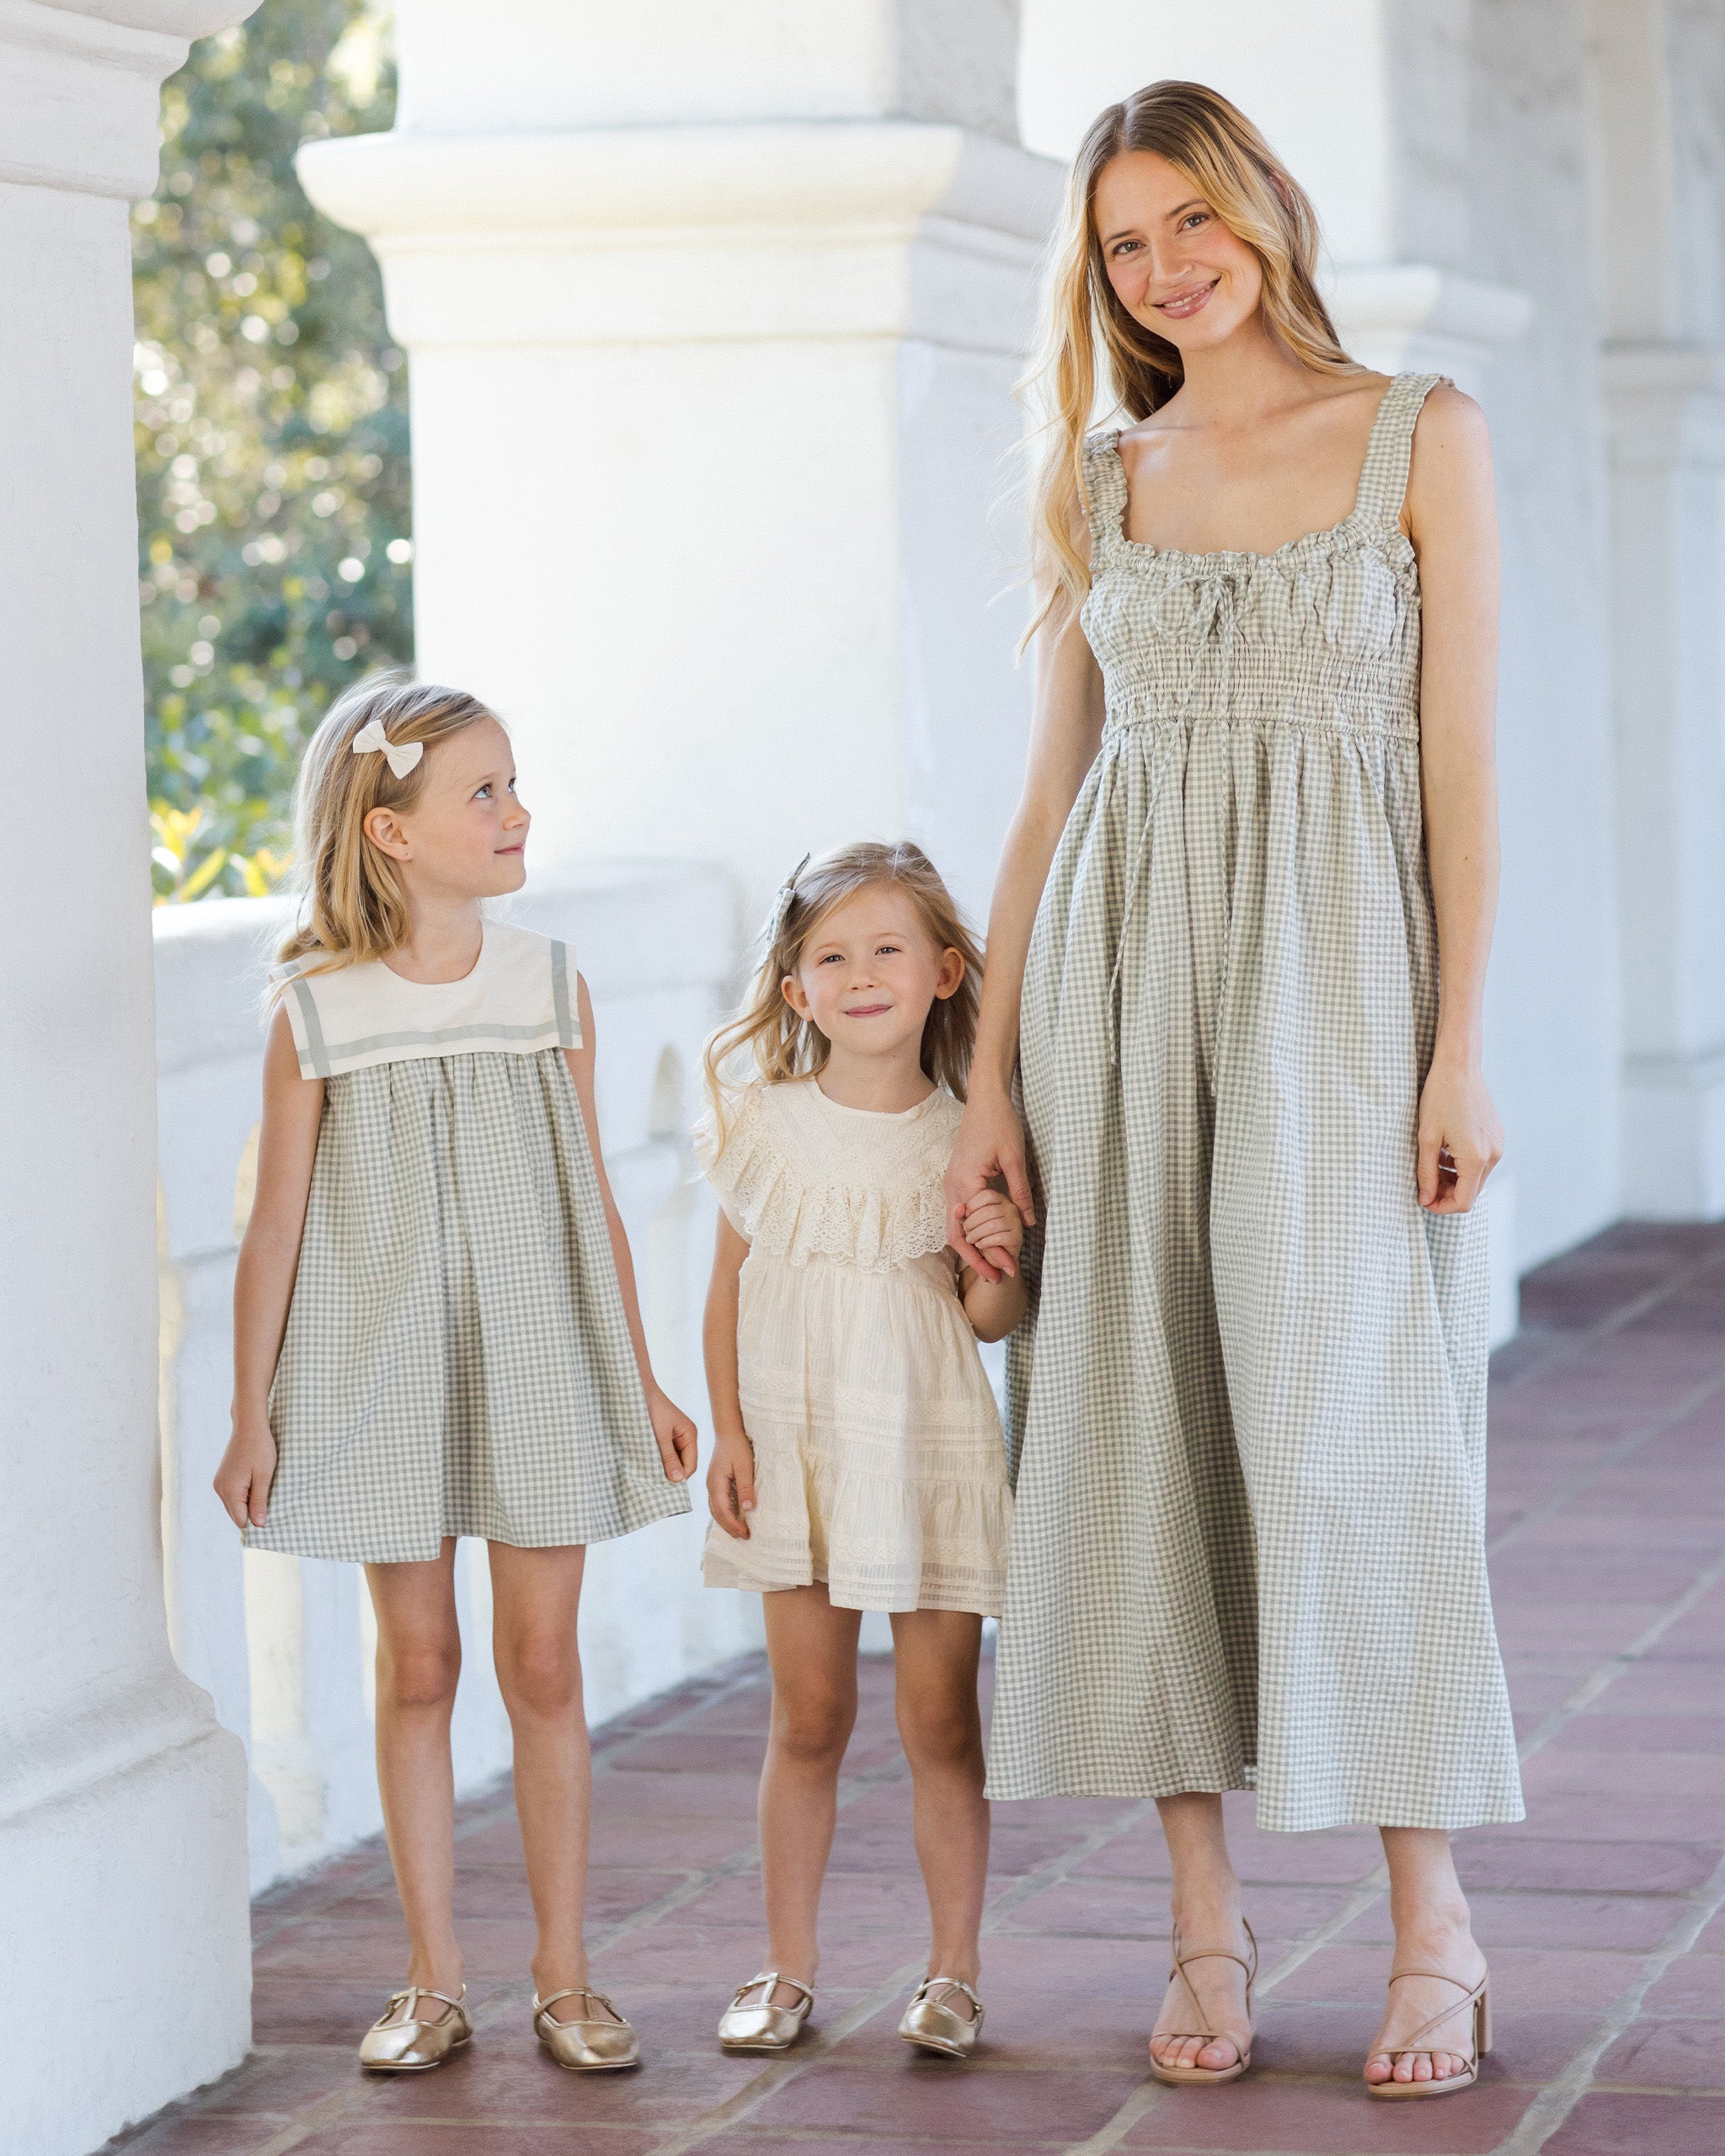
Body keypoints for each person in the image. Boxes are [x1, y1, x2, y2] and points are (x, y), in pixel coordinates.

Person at [943, 82, 1521, 2101]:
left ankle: (1431, 1915)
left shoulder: (1415, 432)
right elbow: (1040, 806)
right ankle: (1202, 1915)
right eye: (1121, 242)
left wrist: (1458, 1043)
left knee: (1355, 1432)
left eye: (1191, 217)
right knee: (1139, 1426)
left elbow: (1459, 767)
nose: (1164, 265)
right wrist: (987, 1086)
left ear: (1263, 211)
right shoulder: (1103, 475)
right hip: (1118, 991)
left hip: (1347, 992)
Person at [212, 673, 698, 2076]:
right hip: (376, 1372)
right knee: (417, 1664)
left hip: (540, 1351)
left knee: (541, 1662)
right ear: (390, 832)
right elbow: (276, 1227)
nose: (516, 810)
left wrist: (646, 1380)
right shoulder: (315, 1008)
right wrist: (251, 1412)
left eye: (514, 783)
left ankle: (565, 1976)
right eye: (482, 791)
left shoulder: (549, 983)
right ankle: (434, 1977)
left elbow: (593, 1193)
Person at [697, 842, 1023, 2062]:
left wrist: (996, 1255)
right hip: (798, 1451)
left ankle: (954, 1970)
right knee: (809, 1716)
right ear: (796, 990)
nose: (862, 973)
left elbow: (988, 1323)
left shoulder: (972, 1135)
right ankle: (786, 1966)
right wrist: (728, 1430)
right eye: (831, 955)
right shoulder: (760, 1125)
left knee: (939, 1721)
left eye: (889, 948)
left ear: (945, 972)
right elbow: (728, 1291)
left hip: (924, 1455)